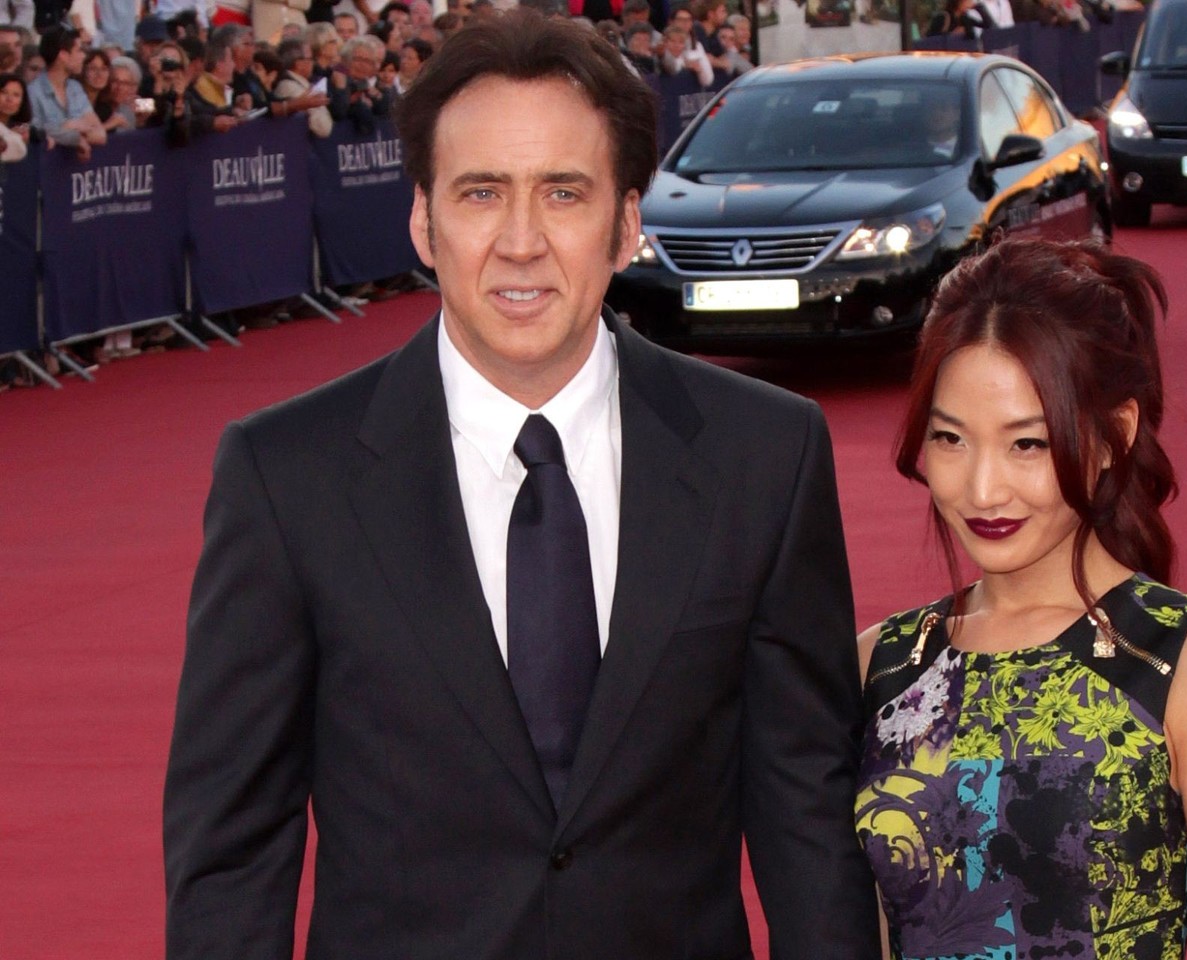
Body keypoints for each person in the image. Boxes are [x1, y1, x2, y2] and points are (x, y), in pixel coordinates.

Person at [163, 10, 880, 959]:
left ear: (626, 223)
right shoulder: (287, 476)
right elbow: (231, 855)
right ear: (422, 220)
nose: (520, 241)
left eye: (564, 193)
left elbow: (807, 817)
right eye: (481, 193)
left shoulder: (765, 454)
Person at [855, 237, 1187, 960]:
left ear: (1115, 434)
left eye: (1026, 444)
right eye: (951, 438)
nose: (983, 488)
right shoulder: (883, 667)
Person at [27, 25, 105, 158]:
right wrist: (73, 131)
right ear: (63, 55)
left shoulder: (75, 88)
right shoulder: (33, 93)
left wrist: (66, 130)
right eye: (79, 50)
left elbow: (100, 135)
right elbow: (35, 134)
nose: (83, 56)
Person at [0, 70, 30, 159]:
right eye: (3, 92)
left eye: (16, 95)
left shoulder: (21, 127)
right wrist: (11, 136)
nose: (9, 99)